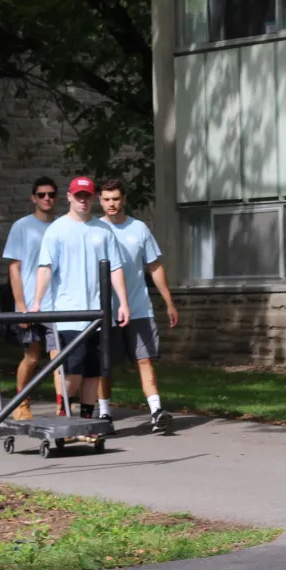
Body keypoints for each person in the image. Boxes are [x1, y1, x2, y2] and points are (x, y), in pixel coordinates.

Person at [29, 176, 130, 421]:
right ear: (70, 197)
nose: (83, 200)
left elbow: (115, 268)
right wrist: (36, 303)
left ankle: (86, 421)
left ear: (92, 197)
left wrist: (123, 303)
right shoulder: (57, 230)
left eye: (87, 196)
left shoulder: (103, 230)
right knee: (73, 371)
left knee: (93, 372)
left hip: (98, 313)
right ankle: (64, 412)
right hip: (69, 315)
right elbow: (45, 268)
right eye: (78, 196)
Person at [97, 178, 177, 432]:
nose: (112, 203)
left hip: (139, 307)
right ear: (100, 200)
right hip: (105, 310)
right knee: (105, 364)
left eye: (116, 199)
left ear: (124, 200)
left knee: (145, 360)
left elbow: (154, 266)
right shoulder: (94, 230)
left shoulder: (139, 228)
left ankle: (156, 412)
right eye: (107, 199)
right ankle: (104, 414)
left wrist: (169, 302)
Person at [2, 176, 58, 419]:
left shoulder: (61, 226)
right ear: (33, 198)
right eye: (42, 194)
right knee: (32, 357)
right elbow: (14, 268)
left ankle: (62, 407)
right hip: (29, 305)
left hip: (56, 304)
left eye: (51, 194)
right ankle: (21, 403)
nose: (47, 198)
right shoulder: (21, 226)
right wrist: (21, 305)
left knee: (59, 358)